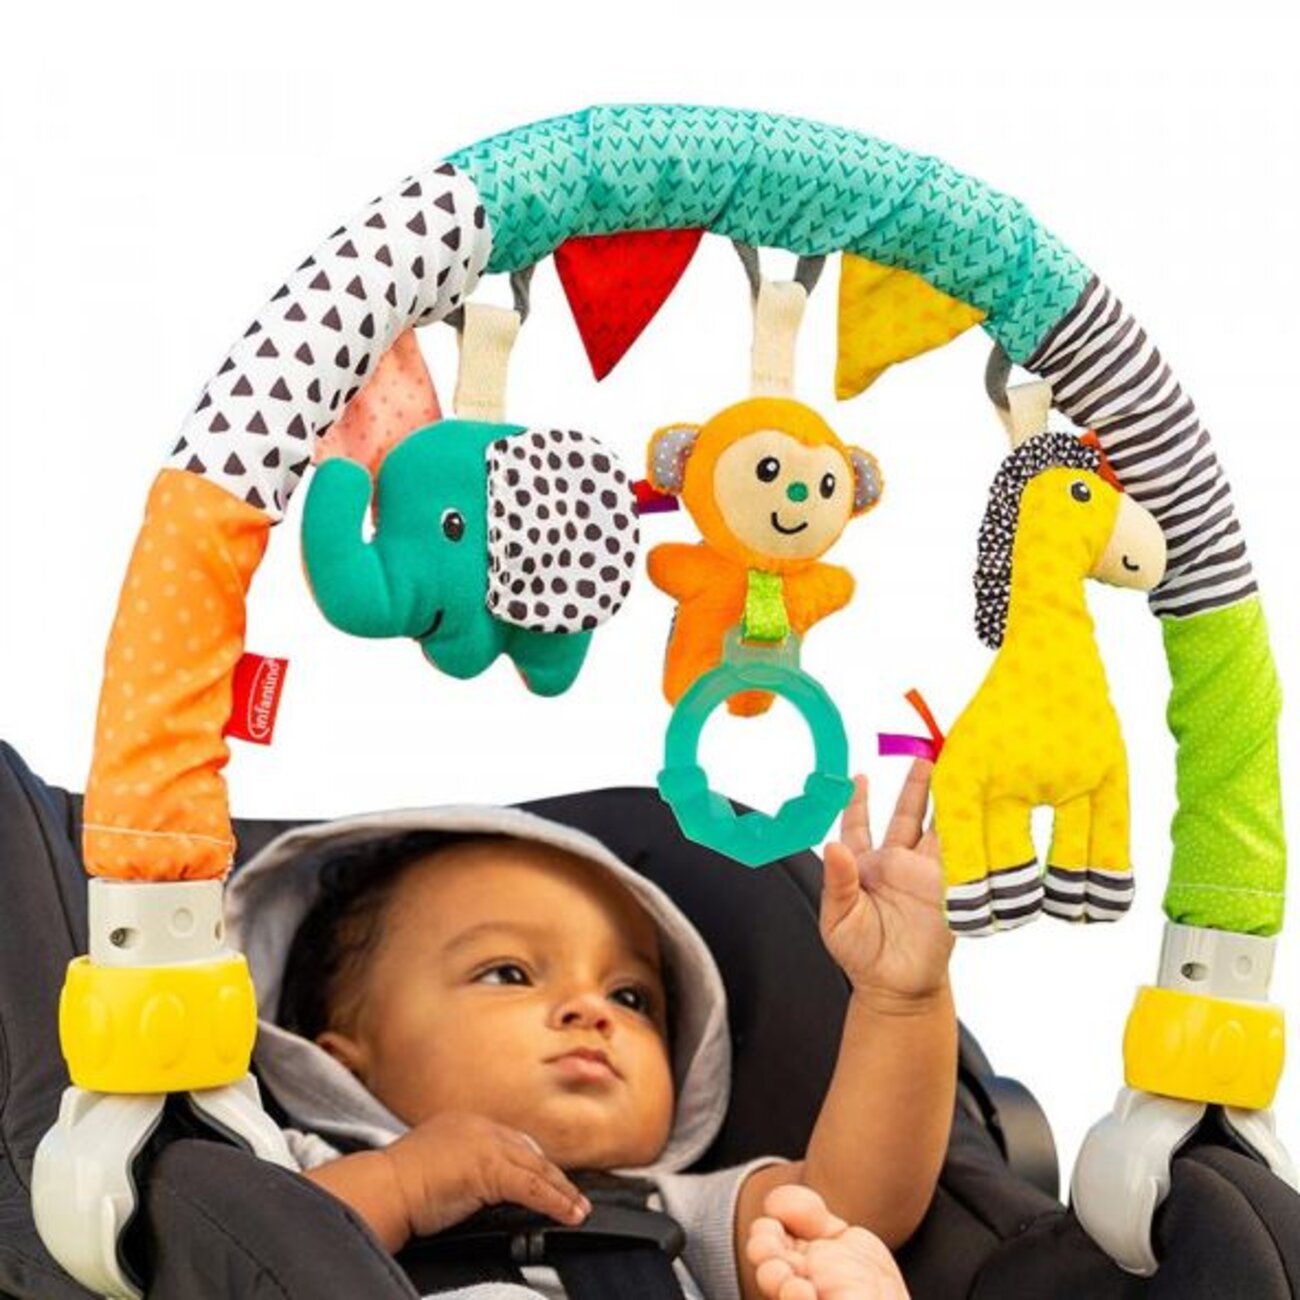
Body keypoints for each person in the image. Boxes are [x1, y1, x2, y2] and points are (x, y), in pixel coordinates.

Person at [224, 760, 953, 1300]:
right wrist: (400, 1185)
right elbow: (227, 1267)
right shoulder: (299, 1170)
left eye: (631, 996)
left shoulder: (673, 1210)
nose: (591, 1010)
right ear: (344, 1062)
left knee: (833, 1254)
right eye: (509, 973)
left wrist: (901, 998)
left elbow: (851, 1204)